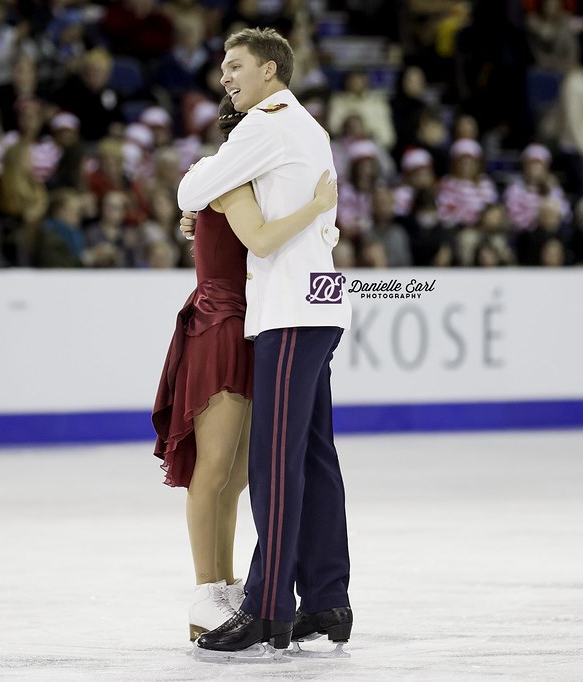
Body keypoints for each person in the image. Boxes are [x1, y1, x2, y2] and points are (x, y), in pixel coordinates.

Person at [177, 27, 352, 655]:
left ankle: (267, 606)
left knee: (273, 463)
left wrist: (203, 173)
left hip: (289, 309)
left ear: (270, 70)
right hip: (324, 303)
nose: (226, 77)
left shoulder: (264, 126)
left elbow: (190, 191)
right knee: (312, 456)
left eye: (236, 66)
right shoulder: (311, 126)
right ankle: (328, 600)